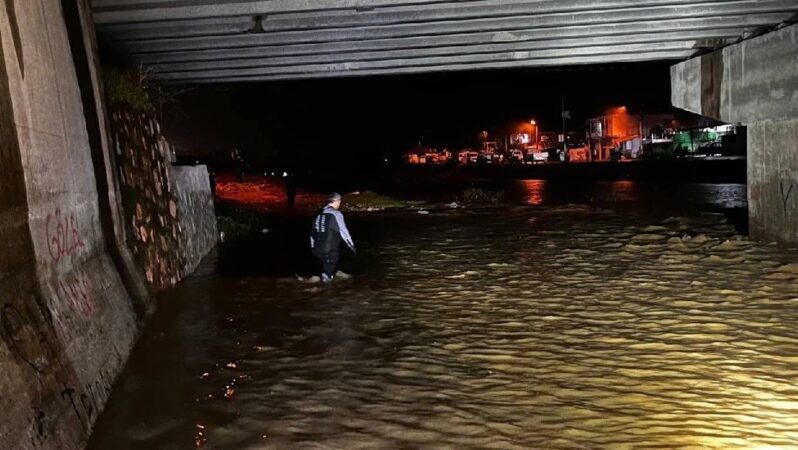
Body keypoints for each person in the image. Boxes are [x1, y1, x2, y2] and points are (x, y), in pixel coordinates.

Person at [310, 193, 355, 282]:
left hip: (316, 249)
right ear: (336, 201)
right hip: (329, 250)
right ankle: (326, 287)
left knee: (327, 266)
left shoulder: (319, 213)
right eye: (339, 201)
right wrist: (351, 246)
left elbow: (312, 233)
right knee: (330, 267)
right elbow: (343, 231)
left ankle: (322, 280)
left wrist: (312, 246)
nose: (340, 203)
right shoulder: (336, 214)